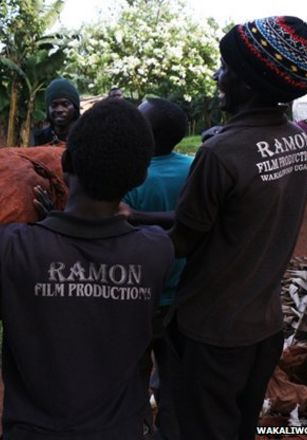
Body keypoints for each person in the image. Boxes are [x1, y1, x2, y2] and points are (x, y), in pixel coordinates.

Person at [0, 98, 174, 439]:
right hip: (119, 429)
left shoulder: (11, 247)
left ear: (67, 161)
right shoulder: (156, 251)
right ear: (141, 176)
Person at [161, 16, 307, 440]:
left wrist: (104, 228)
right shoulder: (299, 140)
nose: (218, 77)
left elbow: (182, 241)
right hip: (264, 326)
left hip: (212, 331)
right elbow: (234, 218)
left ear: (247, 84)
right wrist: (136, 216)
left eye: (225, 68)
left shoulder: (220, 153)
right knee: (239, 427)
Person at [122, 97, 191, 440]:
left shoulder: (130, 179)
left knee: (135, 373)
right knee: (174, 377)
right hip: (184, 297)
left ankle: (139, 427)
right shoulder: (194, 168)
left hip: (139, 298)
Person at [31, 78, 80, 146]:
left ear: (75, 107)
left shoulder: (85, 135)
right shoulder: (40, 137)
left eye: (65, 104)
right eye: (54, 105)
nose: (59, 110)